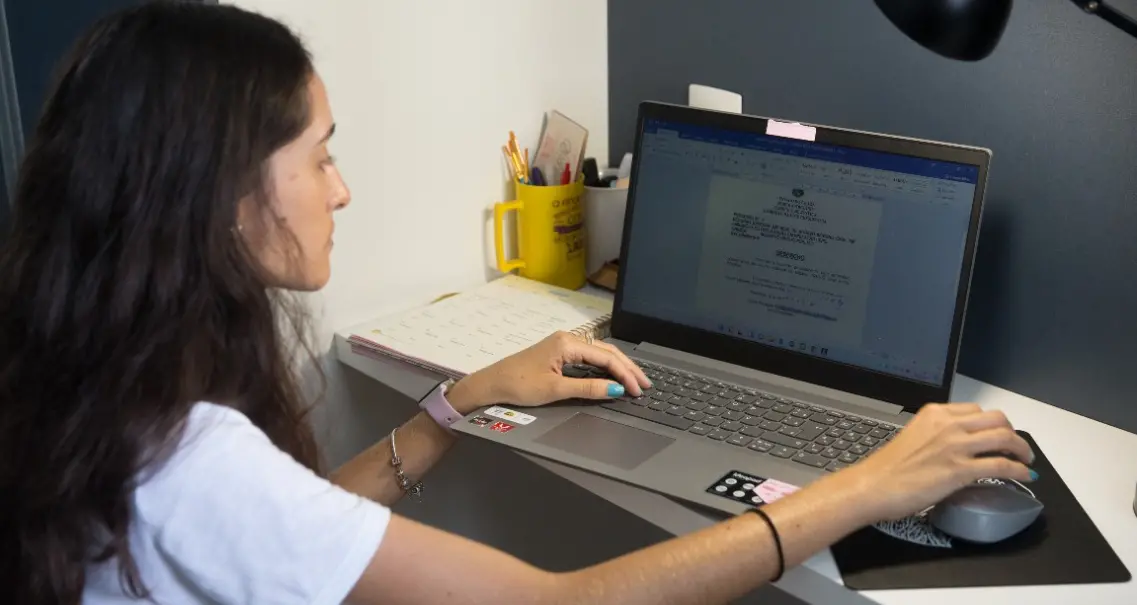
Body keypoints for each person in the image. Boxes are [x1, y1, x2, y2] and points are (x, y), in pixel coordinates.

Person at [0, 3, 1037, 604]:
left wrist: (459, 402)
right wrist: (861, 486)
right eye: (319, 157)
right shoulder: (189, 460)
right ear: (218, 193)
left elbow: (296, 530)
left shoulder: (101, 395)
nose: (341, 190)